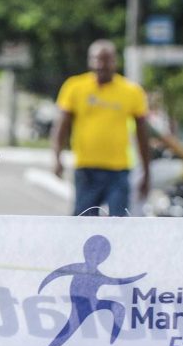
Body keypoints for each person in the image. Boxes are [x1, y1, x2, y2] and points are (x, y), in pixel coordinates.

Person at [52, 39, 152, 216]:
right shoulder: (75, 86)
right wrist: (57, 156)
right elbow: (61, 125)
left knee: (118, 222)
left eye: (106, 60)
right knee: (83, 222)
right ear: (90, 60)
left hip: (118, 170)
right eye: (96, 59)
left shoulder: (131, 91)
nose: (101, 65)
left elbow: (142, 134)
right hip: (86, 168)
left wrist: (146, 171)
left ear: (115, 61)